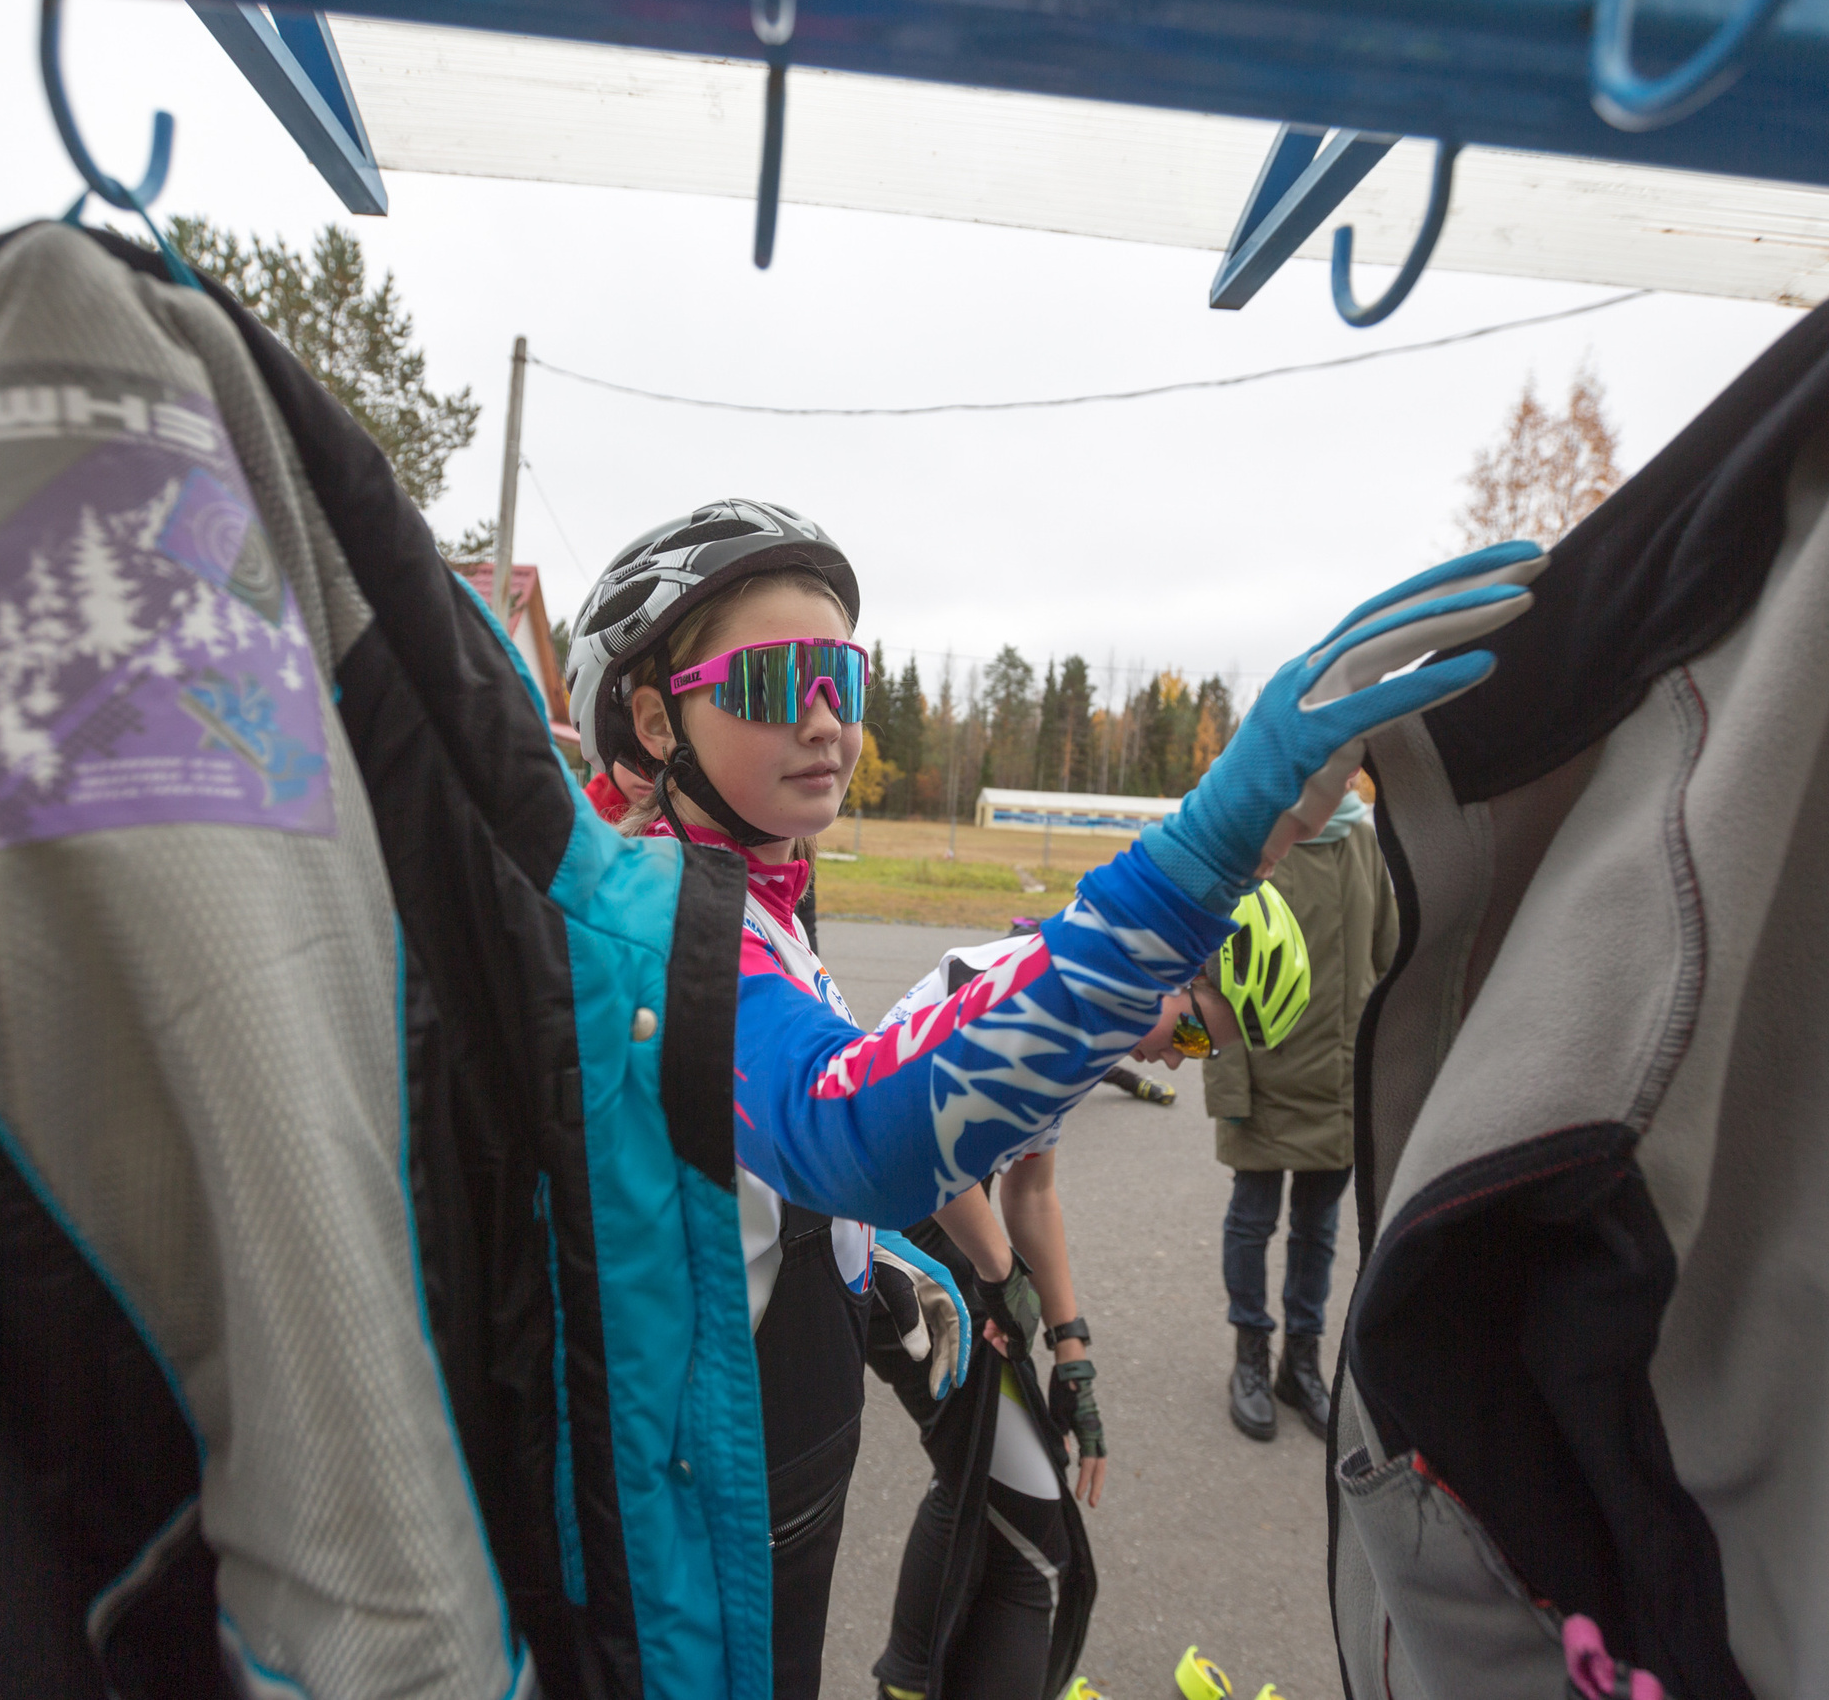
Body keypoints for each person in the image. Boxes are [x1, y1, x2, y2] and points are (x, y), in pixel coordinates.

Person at [562, 499, 1542, 1694]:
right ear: (658, 717)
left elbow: (756, 1199)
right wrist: (1201, 851)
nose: (825, 721)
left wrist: (916, 1295)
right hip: (700, 1527)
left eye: (843, 678)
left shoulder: (749, 892)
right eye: (775, 683)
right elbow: (845, 1127)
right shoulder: (653, 915)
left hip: (773, 1470)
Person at [865, 943, 1233, 1700]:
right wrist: (1002, 1279)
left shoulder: (1090, 1013)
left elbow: (1030, 1193)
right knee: (1030, 1529)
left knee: (994, 1487)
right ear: (1178, 972)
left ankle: (908, 1681)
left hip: (937, 1227)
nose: (1174, 1064)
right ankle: (907, 1680)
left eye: (1205, 1053)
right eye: (1193, 1036)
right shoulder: (1052, 1006)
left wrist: (1073, 1349)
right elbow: (914, 1135)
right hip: (895, 1235)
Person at [1209, 775, 1397, 1444]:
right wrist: (1227, 1086)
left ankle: (1303, 1363)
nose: (1337, 776)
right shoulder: (1253, 846)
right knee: (1252, 1221)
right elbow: (1212, 977)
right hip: (1262, 1081)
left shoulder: (1366, 845)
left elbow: (1390, 962)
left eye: (1346, 765)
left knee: (1319, 1231)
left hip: (1341, 1084)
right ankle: (1251, 1356)